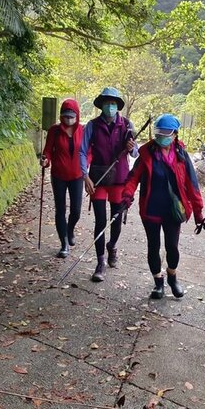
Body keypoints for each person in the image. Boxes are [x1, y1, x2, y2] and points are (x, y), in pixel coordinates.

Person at [121, 114, 204, 300]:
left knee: (172, 247)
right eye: (158, 133)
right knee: (153, 246)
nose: (162, 137)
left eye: (166, 133)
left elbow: (192, 183)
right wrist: (126, 196)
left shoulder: (181, 154)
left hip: (173, 210)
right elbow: (133, 177)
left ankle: (172, 277)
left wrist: (198, 212)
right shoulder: (146, 152)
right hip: (151, 208)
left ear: (175, 134)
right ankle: (158, 282)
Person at [80, 87, 137, 282]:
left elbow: (135, 154)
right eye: (107, 103)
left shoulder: (127, 125)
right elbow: (82, 151)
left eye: (113, 103)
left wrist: (131, 147)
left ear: (117, 105)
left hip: (119, 180)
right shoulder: (92, 125)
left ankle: (112, 246)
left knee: (116, 220)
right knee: (101, 221)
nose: (110, 106)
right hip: (98, 178)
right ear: (102, 105)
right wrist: (84, 175)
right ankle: (100, 262)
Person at [41, 99, 84, 258]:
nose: (68, 119)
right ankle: (64, 243)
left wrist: (87, 165)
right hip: (58, 175)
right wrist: (45, 159)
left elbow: (88, 151)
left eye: (71, 116)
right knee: (61, 209)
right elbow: (48, 150)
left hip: (77, 175)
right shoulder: (54, 130)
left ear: (77, 115)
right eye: (65, 116)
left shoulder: (83, 130)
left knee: (76, 211)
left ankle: (70, 229)